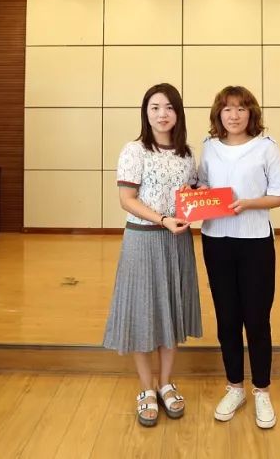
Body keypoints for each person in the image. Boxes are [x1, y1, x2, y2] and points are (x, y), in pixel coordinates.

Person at [103, 83, 202, 427]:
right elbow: (127, 200)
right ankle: (146, 387)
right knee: (143, 312)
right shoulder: (134, 150)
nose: (162, 114)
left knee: (171, 310)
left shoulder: (187, 154)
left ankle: (165, 383)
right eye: (155, 107)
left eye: (169, 107)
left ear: (178, 113)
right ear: (145, 113)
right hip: (143, 240)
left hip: (177, 242)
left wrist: (198, 194)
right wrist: (162, 219)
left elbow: (193, 192)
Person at [198, 85, 280, 429]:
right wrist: (198, 196)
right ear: (218, 114)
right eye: (227, 109)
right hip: (215, 240)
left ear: (251, 113)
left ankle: (262, 390)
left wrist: (248, 203)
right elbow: (202, 187)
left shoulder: (266, 147)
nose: (233, 115)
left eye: (240, 108)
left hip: (255, 242)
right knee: (227, 319)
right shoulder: (208, 147)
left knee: (257, 319)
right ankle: (234, 387)